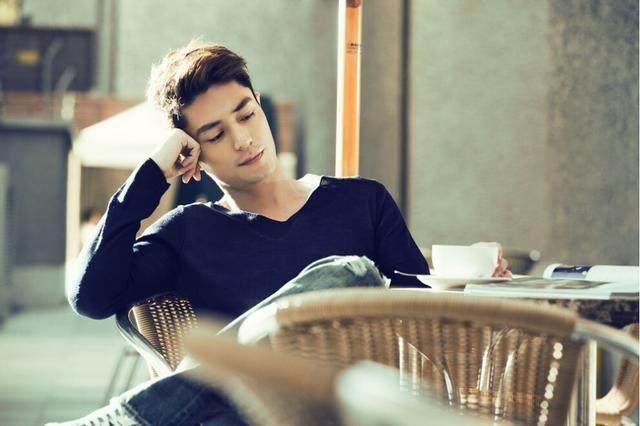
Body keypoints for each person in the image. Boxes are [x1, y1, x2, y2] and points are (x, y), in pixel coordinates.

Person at [51, 41, 509, 426]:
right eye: (215, 134)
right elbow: (90, 296)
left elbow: (425, 315)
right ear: (193, 153)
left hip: (350, 411)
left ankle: (130, 419)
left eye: (246, 115)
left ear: (259, 105)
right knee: (347, 275)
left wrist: (470, 278)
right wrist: (151, 174)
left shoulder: (362, 202)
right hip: (246, 416)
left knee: (348, 274)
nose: (243, 139)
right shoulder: (190, 232)